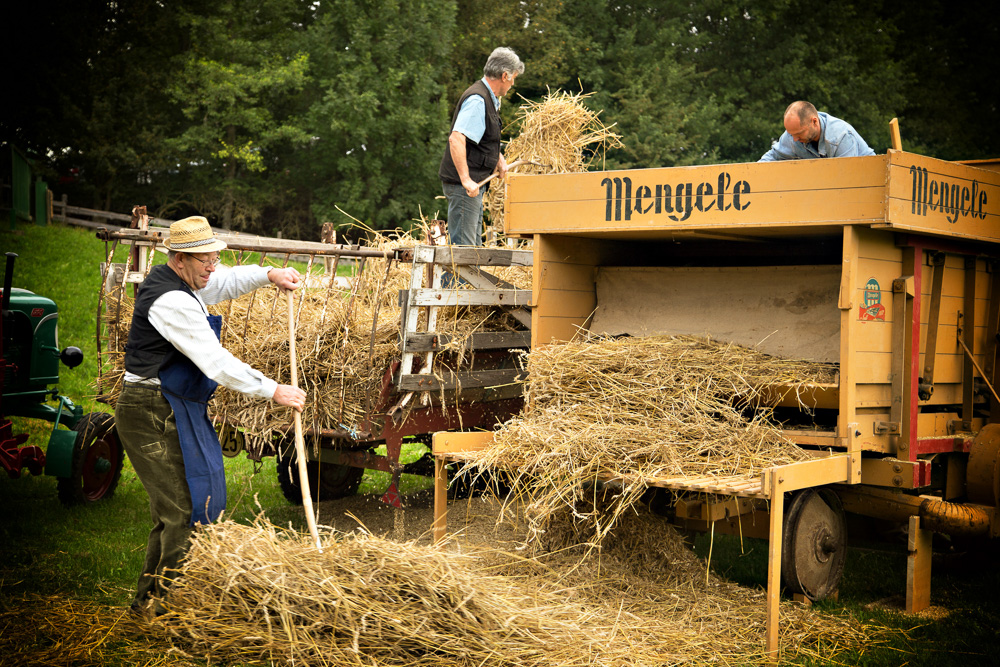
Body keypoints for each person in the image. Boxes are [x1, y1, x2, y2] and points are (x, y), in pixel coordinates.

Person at [115, 215, 306, 616]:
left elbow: (224, 281)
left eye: (214, 258)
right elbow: (214, 362)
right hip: (151, 409)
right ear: (179, 259)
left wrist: (268, 273)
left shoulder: (189, 280)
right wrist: (274, 390)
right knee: (183, 511)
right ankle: (164, 610)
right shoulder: (171, 301)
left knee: (178, 509)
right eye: (204, 259)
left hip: (173, 403)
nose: (211, 267)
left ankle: (149, 604)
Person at [439, 46, 525, 246]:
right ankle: (451, 280)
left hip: (472, 187)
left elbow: (482, 140)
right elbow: (457, 139)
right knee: (464, 254)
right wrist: (466, 179)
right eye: (513, 78)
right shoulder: (478, 100)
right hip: (465, 188)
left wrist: (498, 159)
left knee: (473, 251)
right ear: (504, 76)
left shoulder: (489, 99)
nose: (513, 83)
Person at [759, 100, 875, 162]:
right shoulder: (792, 135)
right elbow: (773, 157)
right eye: (791, 134)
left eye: (799, 133)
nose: (794, 139)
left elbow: (848, 178)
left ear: (814, 122)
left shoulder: (841, 137)